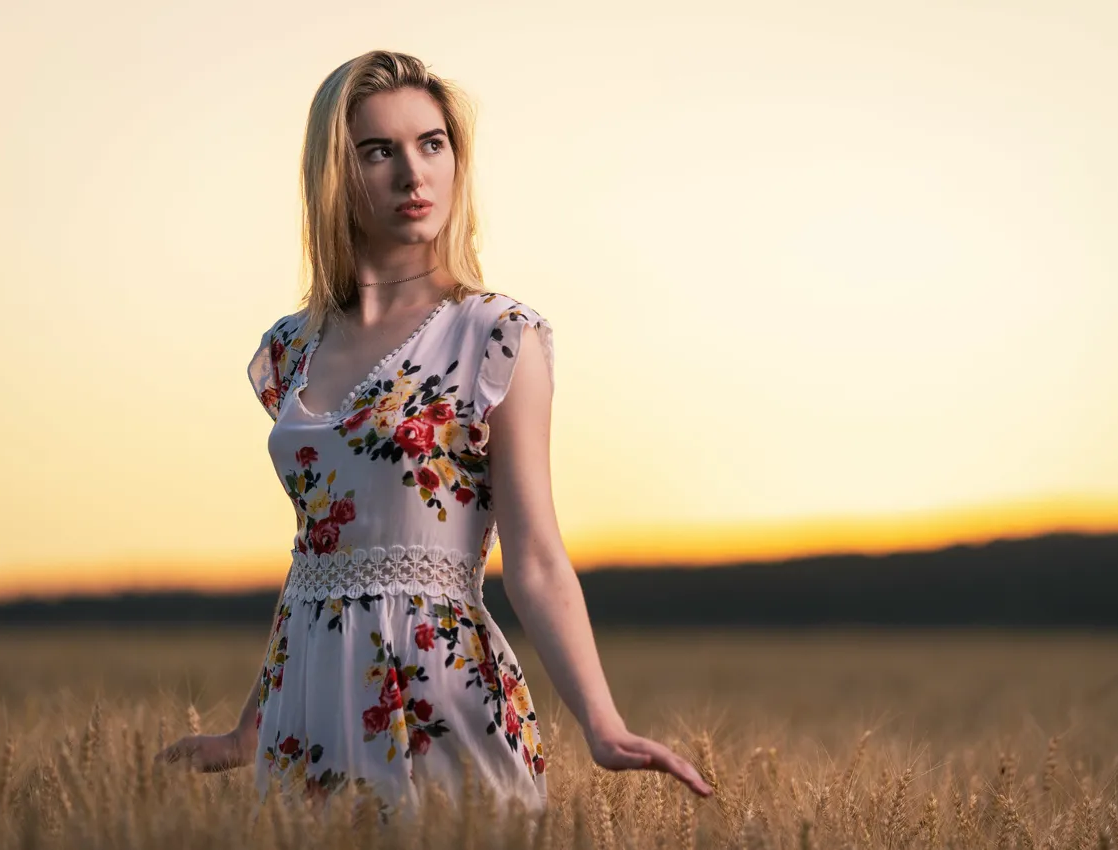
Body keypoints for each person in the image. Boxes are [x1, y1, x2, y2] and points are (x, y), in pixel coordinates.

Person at [152, 49, 713, 823]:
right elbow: (317, 560)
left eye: (432, 144)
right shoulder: (290, 348)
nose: (413, 174)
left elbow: (539, 558)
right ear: (335, 176)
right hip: (306, 710)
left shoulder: (495, 337)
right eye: (378, 151)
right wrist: (250, 726)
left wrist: (601, 721)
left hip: (438, 692)